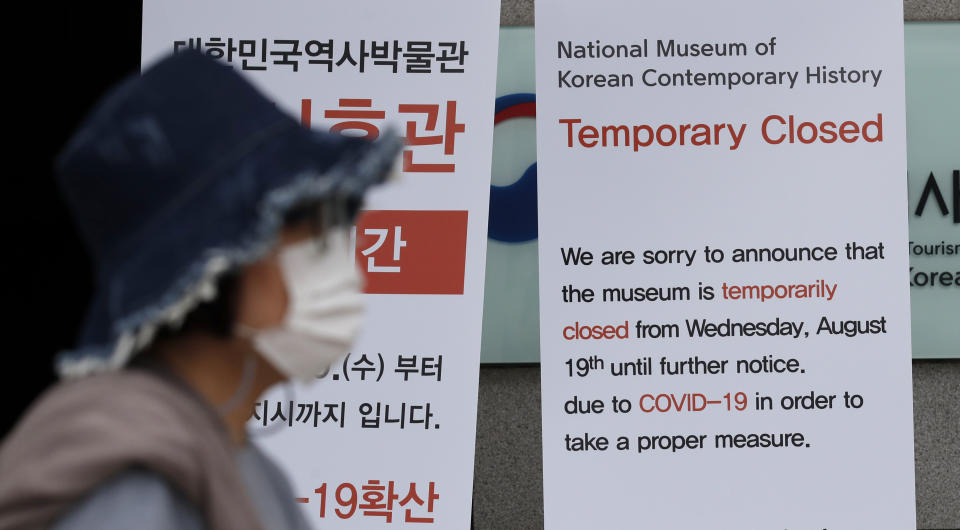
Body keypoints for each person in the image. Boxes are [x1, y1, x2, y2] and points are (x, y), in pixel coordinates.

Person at [0, 51, 401, 530]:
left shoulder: (235, 460)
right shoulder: (133, 479)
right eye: (308, 230)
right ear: (212, 268)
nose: (345, 267)